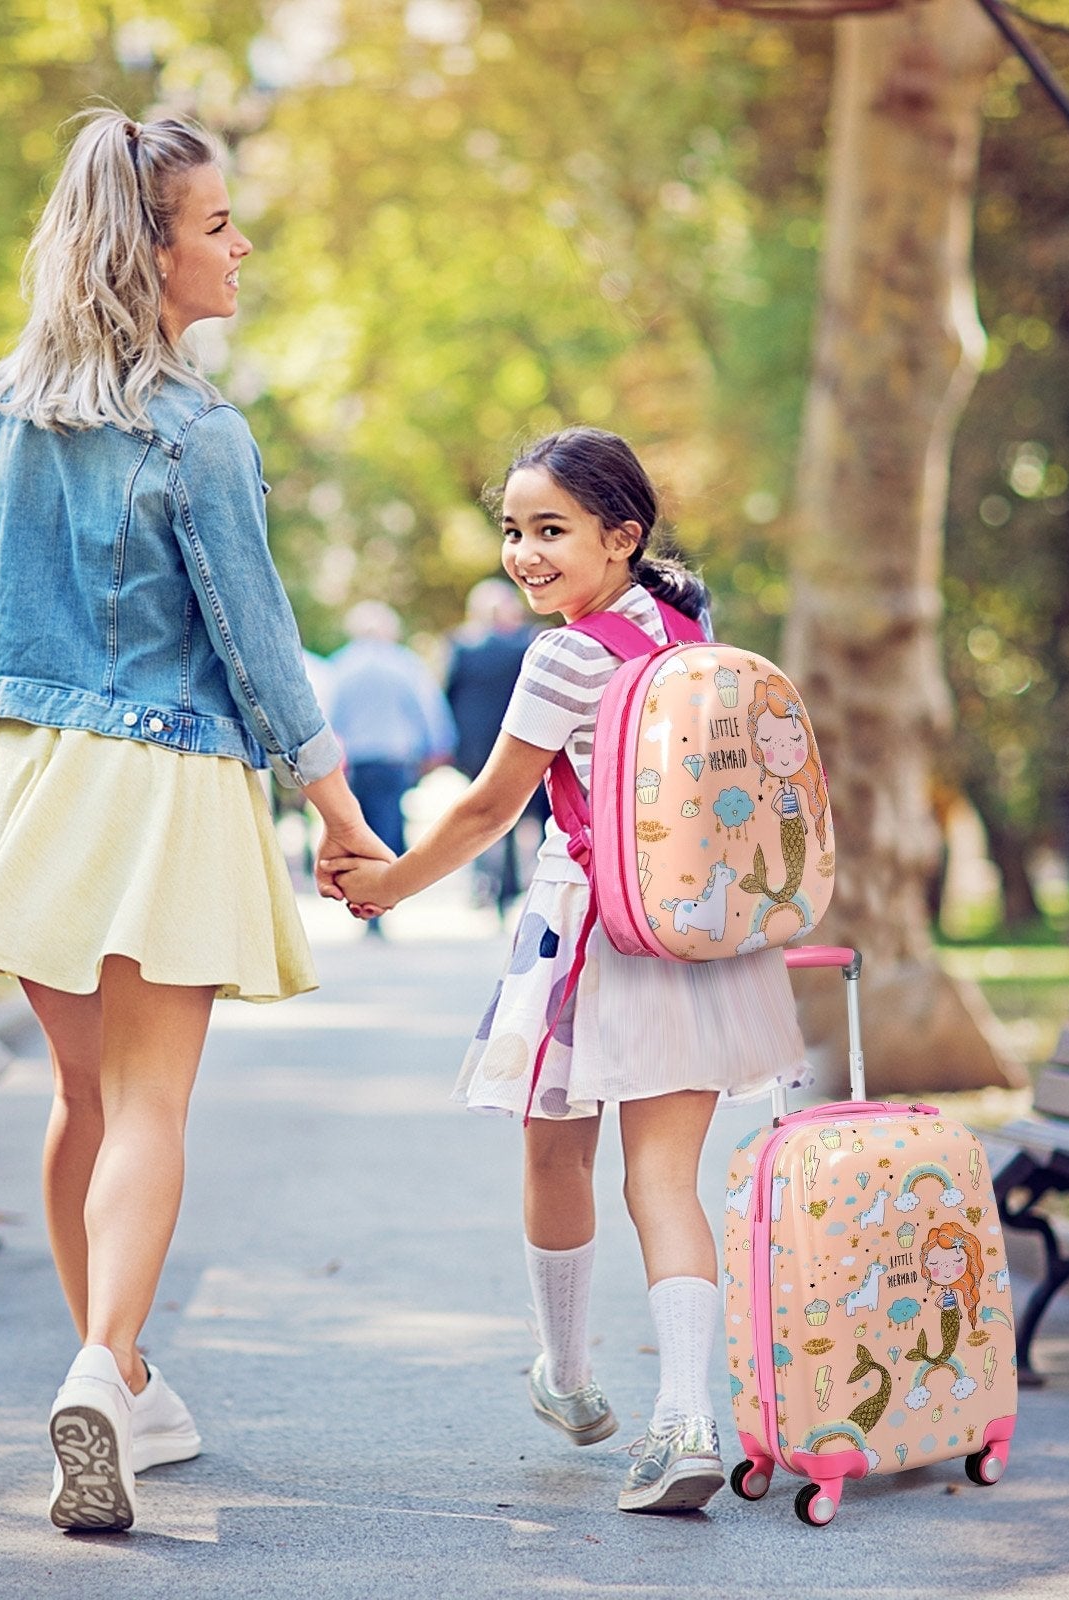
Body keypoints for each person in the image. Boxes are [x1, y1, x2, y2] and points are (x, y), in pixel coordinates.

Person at [0, 108, 391, 1533]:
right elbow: (258, 640)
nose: (242, 247)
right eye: (218, 226)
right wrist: (338, 809)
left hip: (26, 780)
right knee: (155, 1102)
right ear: (153, 252)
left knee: (81, 1097)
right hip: (163, 781)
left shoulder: (3, 415)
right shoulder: (194, 429)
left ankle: (118, 1371)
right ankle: (104, 1375)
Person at [331, 427, 808, 1515]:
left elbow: (493, 805)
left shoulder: (567, 654)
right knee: (664, 1178)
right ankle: (686, 1416)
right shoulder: (687, 628)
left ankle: (572, 1374)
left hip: (592, 930)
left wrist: (387, 886)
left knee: (556, 1154)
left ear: (620, 535)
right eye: (512, 530)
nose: (525, 554)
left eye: (550, 530)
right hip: (701, 932)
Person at [323, 600, 455, 935]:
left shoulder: (342, 665)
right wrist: (437, 749)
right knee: (388, 823)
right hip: (395, 760)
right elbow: (429, 711)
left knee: (357, 828)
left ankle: (363, 899)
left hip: (356, 763)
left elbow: (327, 717)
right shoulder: (404, 664)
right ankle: (381, 899)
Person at [444, 577, 549, 918]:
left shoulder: (461, 647)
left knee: (482, 813)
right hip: (520, 741)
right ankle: (512, 883)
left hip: (476, 747)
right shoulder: (526, 647)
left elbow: (450, 696)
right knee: (519, 818)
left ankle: (487, 883)